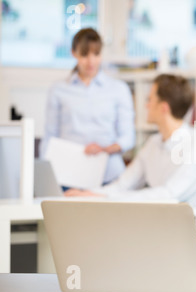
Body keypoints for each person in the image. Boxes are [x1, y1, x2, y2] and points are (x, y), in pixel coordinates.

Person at [65, 74, 196, 208]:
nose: (146, 105)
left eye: (150, 100)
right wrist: (87, 194)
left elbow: (170, 195)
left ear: (164, 108)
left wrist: (105, 198)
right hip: (158, 219)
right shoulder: (153, 143)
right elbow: (123, 185)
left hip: (184, 225)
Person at [40, 28, 135, 185]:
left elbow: (128, 138)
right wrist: (45, 176)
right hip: (68, 173)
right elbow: (50, 136)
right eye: (84, 55)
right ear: (73, 53)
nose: (91, 62)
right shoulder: (58, 90)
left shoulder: (118, 89)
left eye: (96, 54)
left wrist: (104, 149)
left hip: (109, 175)